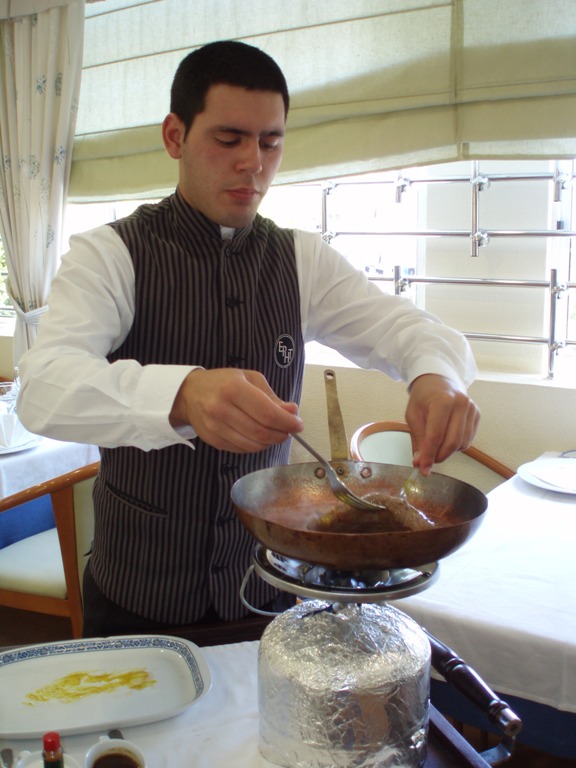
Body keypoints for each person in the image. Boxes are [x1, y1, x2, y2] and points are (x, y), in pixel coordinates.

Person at [17, 40, 480, 637]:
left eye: (270, 142)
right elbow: (43, 387)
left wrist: (436, 377)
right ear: (175, 137)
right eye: (229, 139)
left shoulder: (301, 259)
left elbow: (406, 328)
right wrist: (183, 395)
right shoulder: (110, 254)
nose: (253, 164)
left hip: (267, 592)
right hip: (135, 592)